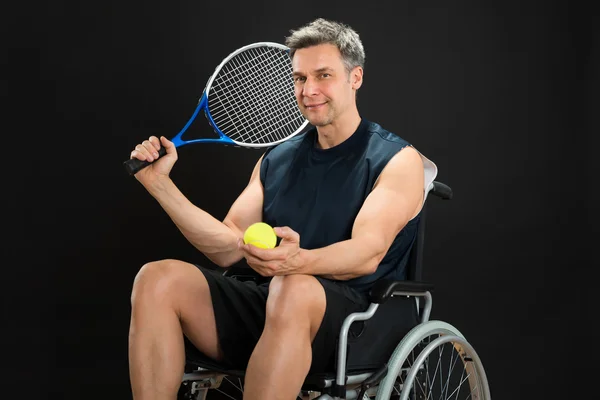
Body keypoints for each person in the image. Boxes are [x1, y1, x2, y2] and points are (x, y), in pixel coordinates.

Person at [127, 18, 437, 400]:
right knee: (156, 278)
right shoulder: (278, 159)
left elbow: (367, 253)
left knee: (293, 288)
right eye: (300, 78)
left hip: (356, 322)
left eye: (323, 75)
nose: (309, 90)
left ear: (355, 77)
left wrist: (295, 263)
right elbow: (226, 246)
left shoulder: (396, 160)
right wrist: (160, 186)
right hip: (271, 302)